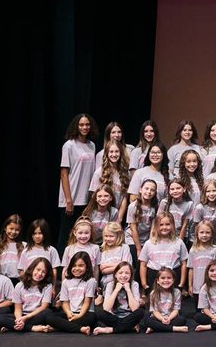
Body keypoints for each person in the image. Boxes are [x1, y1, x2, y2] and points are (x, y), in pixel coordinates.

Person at [58, 113, 98, 251]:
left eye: (87, 124)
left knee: (82, 235)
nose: (84, 127)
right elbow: (64, 174)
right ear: (76, 126)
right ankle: (62, 263)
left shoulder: (92, 145)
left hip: (86, 199)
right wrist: (68, 200)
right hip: (71, 198)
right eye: (81, 125)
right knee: (66, 235)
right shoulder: (69, 145)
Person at [0, 257, 53, 333]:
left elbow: (43, 307)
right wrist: (19, 319)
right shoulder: (19, 286)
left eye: (43, 272)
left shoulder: (48, 286)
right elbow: (18, 308)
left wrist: (26, 318)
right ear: (32, 269)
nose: (39, 274)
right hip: (22, 314)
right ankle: (32, 328)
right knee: (0, 318)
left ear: (46, 275)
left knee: (48, 312)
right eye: (38, 269)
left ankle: (12, 327)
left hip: (36, 315)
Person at [138, 212, 188, 296]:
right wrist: (144, 285)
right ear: (156, 226)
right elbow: (143, 265)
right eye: (161, 224)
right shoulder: (149, 243)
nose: (164, 227)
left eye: (167, 224)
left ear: (173, 225)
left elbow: (183, 264)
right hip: (153, 278)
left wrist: (181, 284)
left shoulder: (179, 242)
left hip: (173, 277)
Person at [45, 251, 97, 334]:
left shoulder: (91, 281)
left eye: (81, 266)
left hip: (85, 314)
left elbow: (87, 302)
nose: (77, 268)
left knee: (91, 318)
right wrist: (68, 312)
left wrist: (79, 315)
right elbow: (64, 301)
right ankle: (80, 329)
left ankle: (59, 327)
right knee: (49, 317)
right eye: (74, 265)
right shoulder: (66, 282)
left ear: (87, 267)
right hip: (70, 313)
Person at [93, 261, 144, 335]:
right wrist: (116, 290)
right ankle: (128, 327)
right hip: (114, 317)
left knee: (140, 312)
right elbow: (106, 308)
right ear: (115, 275)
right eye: (120, 273)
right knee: (99, 313)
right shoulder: (110, 285)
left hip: (129, 316)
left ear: (131, 275)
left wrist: (128, 290)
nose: (123, 275)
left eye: (127, 273)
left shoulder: (134, 284)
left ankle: (111, 329)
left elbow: (135, 309)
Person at [143, 267, 188, 333]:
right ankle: (174, 328)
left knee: (182, 320)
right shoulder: (153, 293)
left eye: (169, 278)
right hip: (158, 317)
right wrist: (162, 319)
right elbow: (155, 311)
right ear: (158, 281)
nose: (166, 280)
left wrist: (169, 318)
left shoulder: (177, 292)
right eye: (163, 278)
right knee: (147, 320)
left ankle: (155, 328)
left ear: (173, 280)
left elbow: (176, 310)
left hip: (171, 317)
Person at [0, 214, 24, 284]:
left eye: (17, 230)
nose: (13, 232)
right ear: (5, 228)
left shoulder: (24, 245)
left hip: (18, 281)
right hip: (1, 280)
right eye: (11, 228)